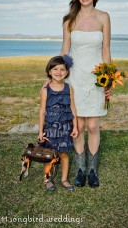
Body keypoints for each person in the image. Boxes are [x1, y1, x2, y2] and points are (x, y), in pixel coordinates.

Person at [60, 0, 112, 188]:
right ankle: (81, 170)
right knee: (79, 126)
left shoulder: (104, 17)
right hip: (75, 78)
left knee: (92, 125)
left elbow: (106, 50)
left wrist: (108, 79)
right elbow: (65, 51)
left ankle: (93, 170)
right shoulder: (68, 20)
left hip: (96, 78)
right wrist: (58, 77)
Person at [39, 55, 78, 191]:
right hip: (50, 128)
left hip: (66, 127)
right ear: (49, 71)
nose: (59, 72)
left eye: (62, 69)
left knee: (64, 154)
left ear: (67, 72)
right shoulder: (45, 89)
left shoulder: (69, 88)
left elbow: (73, 108)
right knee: (49, 154)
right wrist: (40, 131)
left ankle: (64, 179)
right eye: (55, 69)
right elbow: (42, 111)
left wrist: (76, 127)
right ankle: (48, 179)